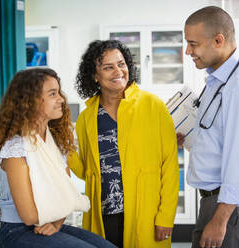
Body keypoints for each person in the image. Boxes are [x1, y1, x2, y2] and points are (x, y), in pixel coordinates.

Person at [0, 68, 116, 248]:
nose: (61, 99)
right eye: (53, 94)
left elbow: (66, 192)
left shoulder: (55, 144)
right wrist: (56, 217)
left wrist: (57, 223)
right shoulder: (15, 148)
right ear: (31, 101)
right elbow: (29, 215)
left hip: (51, 223)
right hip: (16, 230)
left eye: (59, 92)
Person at [69, 39, 179, 248]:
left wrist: (166, 216)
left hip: (145, 212)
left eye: (121, 64)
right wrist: (64, 148)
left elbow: (170, 166)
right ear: (95, 76)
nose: (118, 71)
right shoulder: (87, 117)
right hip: (103, 213)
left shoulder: (153, 106)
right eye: (108, 67)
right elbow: (87, 171)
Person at [177, 6, 239, 248]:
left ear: (218, 40)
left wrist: (220, 219)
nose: (188, 51)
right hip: (218, 200)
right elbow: (217, 133)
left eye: (193, 44)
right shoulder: (219, 77)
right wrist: (191, 139)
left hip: (231, 205)